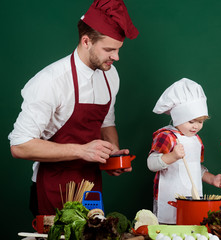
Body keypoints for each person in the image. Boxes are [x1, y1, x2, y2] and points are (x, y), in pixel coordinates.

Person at [8, 0, 139, 216]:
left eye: (118, 49)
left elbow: (106, 123)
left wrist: (113, 154)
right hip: (53, 186)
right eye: (109, 50)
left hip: (90, 189)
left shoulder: (110, 75)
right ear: (86, 41)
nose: (116, 57)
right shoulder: (51, 81)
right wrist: (81, 150)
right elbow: (20, 146)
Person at [147, 78, 221, 224]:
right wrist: (173, 156)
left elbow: (195, 168)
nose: (196, 126)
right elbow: (151, 164)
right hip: (169, 201)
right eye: (191, 121)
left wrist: (212, 178)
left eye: (200, 122)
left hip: (193, 203)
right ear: (177, 117)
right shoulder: (166, 136)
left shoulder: (196, 140)